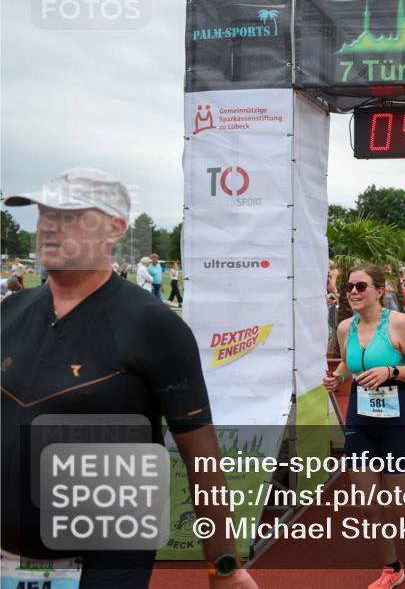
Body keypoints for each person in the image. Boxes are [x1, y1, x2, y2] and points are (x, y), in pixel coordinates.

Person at [1, 168, 257, 589]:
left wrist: (224, 570)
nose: (48, 226)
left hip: (105, 559)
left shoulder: (153, 325)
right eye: (44, 214)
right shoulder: (11, 311)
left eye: (68, 216)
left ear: (113, 229)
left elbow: (202, 455)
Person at [322, 264, 405, 589]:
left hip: (395, 422)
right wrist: (337, 376)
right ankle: (392, 567)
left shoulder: (398, 324)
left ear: (379, 291)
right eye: (349, 287)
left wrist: (390, 372)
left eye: (360, 286)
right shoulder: (344, 329)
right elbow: (346, 362)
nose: (352, 292)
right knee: (369, 506)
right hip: (360, 424)